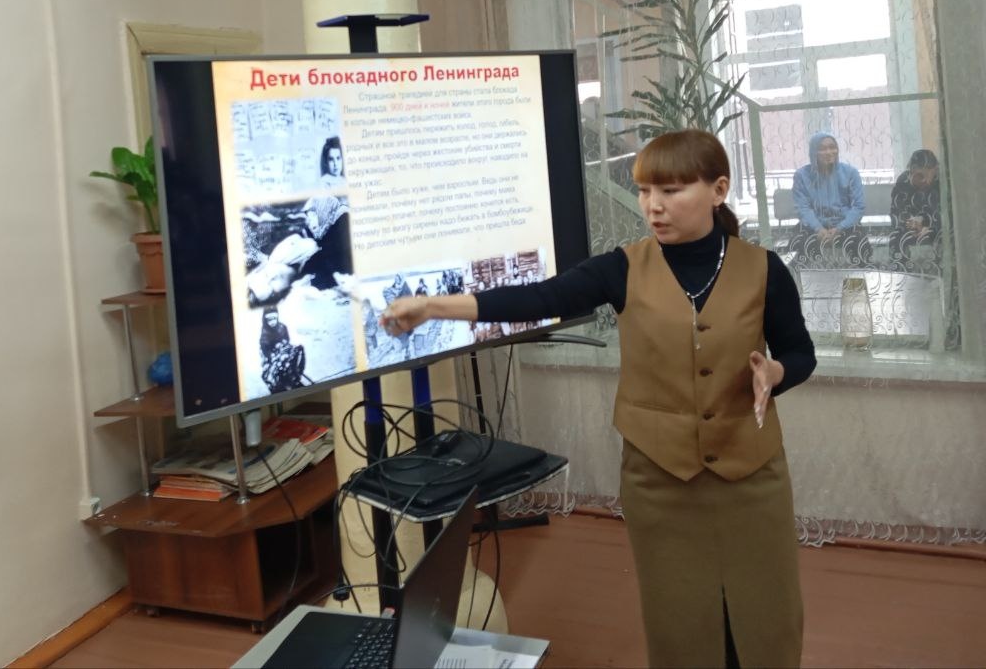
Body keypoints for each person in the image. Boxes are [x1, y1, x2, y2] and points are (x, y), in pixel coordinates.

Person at [381, 130, 816, 669]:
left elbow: (800, 354)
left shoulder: (764, 268)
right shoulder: (623, 267)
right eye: (644, 191)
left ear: (718, 189)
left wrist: (774, 372)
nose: (653, 206)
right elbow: (541, 297)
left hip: (751, 473)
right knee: (680, 616)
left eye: (671, 190)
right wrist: (433, 307)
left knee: (765, 609)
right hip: (661, 479)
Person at [788, 130, 871, 266]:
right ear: (813, 152)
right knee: (798, 242)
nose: (829, 152)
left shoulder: (850, 173)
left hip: (845, 224)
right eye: (822, 149)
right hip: (813, 226)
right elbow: (802, 208)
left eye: (832, 147)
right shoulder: (802, 176)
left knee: (859, 243)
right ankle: (798, 279)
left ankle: (860, 278)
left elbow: (858, 206)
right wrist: (818, 229)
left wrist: (840, 228)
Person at [889, 149, 941, 271]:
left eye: (930, 176)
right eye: (921, 176)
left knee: (942, 235)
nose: (926, 181)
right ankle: (900, 273)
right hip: (911, 224)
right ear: (912, 170)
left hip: (933, 225)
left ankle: (940, 274)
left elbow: (941, 211)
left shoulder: (938, 182)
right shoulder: (903, 181)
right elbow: (897, 211)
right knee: (896, 237)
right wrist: (912, 223)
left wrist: (927, 227)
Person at [258, 306, 306, 393]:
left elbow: (287, 339)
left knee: (298, 350)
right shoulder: (265, 332)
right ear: (265, 320)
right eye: (269, 320)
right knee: (275, 368)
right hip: (272, 355)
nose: (272, 322)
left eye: (274, 318)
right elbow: (265, 348)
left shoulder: (282, 327)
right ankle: (278, 383)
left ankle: (295, 374)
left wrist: (284, 343)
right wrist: (272, 354)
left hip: (283, 349)